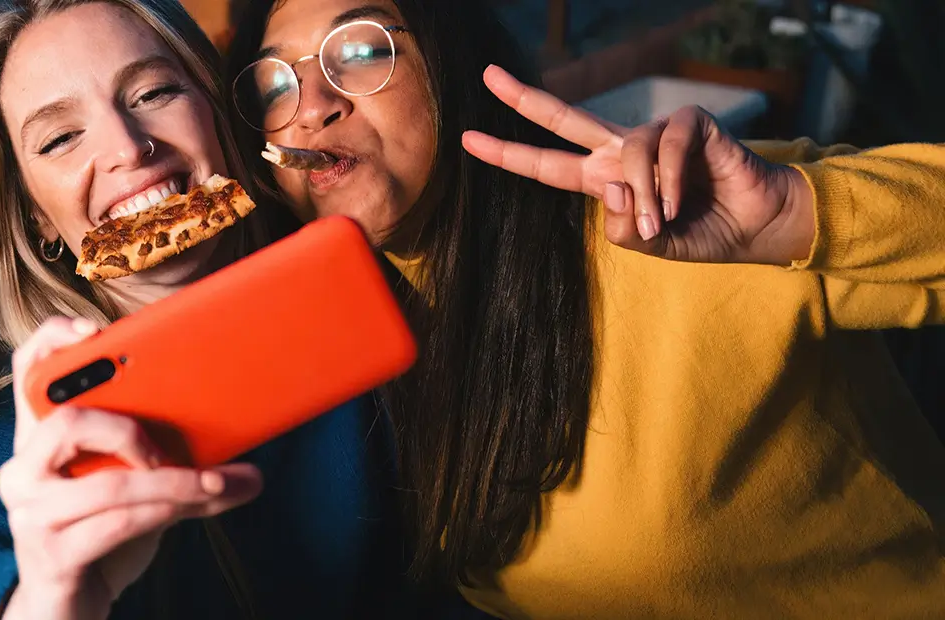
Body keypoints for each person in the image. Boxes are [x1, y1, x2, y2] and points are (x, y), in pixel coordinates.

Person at [226, 0, 945, 616]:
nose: (312, 105)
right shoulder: (349, 349)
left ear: (452, 58)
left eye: (357, 50)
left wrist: (793, 213)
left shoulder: (669, 232)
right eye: (273, 84)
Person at [0, 1, 423, 618]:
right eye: (61, 137)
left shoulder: (362, 283)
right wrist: (44, 597)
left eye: (154, 92)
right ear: (36, 215)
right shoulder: (41, 422)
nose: (128, 148)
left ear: (217, 114)